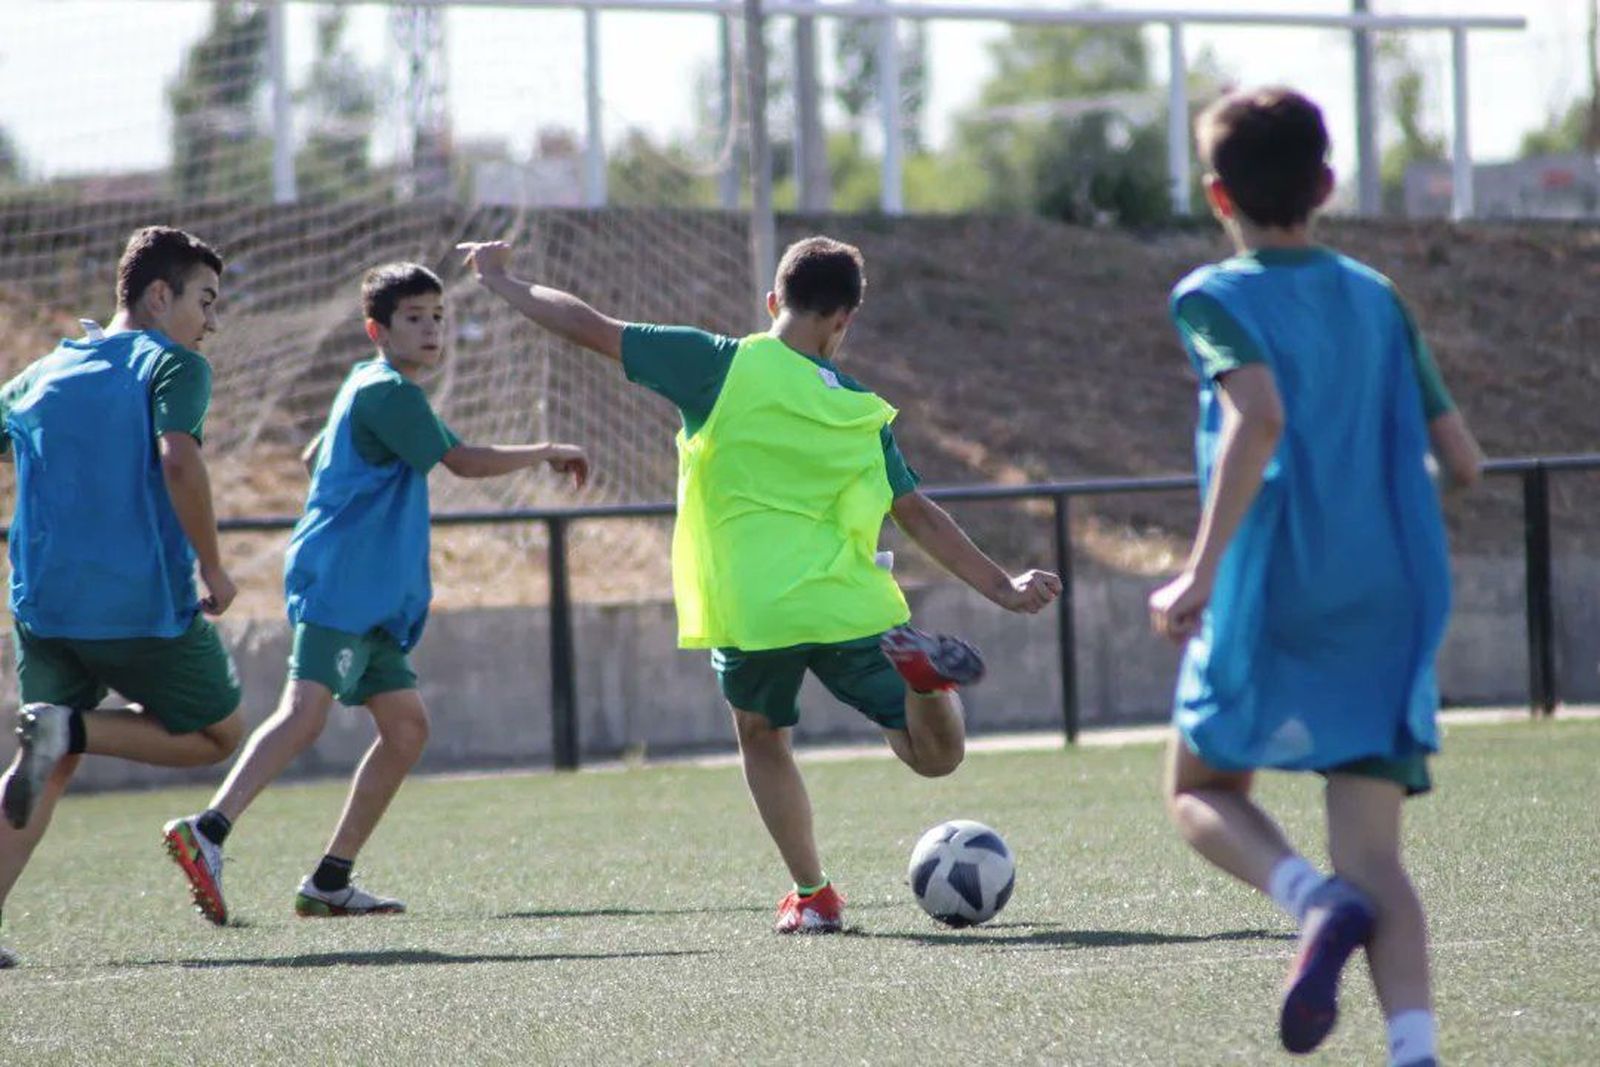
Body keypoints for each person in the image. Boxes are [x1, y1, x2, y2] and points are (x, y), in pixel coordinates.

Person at [458, 234, 1060, 934]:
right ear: (844, 321)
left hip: (754, 608)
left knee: (762, 734)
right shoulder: (864, 410)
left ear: (773, 302)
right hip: (851, 604)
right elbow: (917, 513)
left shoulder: (716, 364)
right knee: (935, 756)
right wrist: (1005, 587)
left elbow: (587, 325)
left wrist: (501, 280)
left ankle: (814, 894)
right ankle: (925, 682)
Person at [1147, 88, 1484, 1066]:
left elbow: (1256, 419)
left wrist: (1195, 576)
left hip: (1275, 581)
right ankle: (1412, 1049)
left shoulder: (1213, 294)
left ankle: (1309, 898)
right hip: (1392, 594)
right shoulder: (1376, 295)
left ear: (1218, 195)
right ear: (1327, 184)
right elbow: (1462, 461)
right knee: (1379, 855)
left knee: (1200, 784)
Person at [163, 262, 589, 924]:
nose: (430, 329)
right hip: (341, 583)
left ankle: (330, 879)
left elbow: (313, 455)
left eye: (438, 316)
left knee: (406, 726)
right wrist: (547, 449)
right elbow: (464, 461)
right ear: (377, 329)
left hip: (372, 595)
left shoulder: (369, 385)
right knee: (304, 714)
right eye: (414, 318)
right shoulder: (389, 392)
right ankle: (209, 829)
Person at [0, 226, 247, 967]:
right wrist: (214, 565)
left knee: (45, 759)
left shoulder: (40, 372)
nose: (211, 320)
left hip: (43, 606)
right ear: (158, 294)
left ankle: (59, 733)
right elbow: (179, 460)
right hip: (138, 606)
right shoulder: (173, 364)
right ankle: (70, 728)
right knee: (219, 734)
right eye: (204, 300)